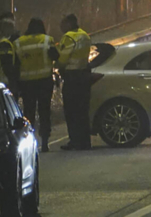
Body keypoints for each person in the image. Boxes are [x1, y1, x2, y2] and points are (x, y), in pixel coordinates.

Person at [15, 18, 60, 151]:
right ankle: (45, 142)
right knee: (44, 111)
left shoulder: (19, 43)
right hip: (44, 81)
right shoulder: (47, 40)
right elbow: (56, 56)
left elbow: (15, 63)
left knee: (29, 112)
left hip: (26, 83)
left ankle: (29, 141)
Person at [56, 14, 93, 151]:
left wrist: (56, 61)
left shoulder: (68, 37)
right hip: (83, 76)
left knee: (71, 111)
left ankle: (74, 140)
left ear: (69, 24)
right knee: (83, 111)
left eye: (63, 24)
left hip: (72, 78)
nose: (61, 27)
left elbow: (63, 59)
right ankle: (85, 141)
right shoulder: (85, 35)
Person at [0, 16, 20, 88]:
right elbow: (7, 65)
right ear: (7, 29)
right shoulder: (4, 44)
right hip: (5, 82)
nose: (14, 30)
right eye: (12, 28)